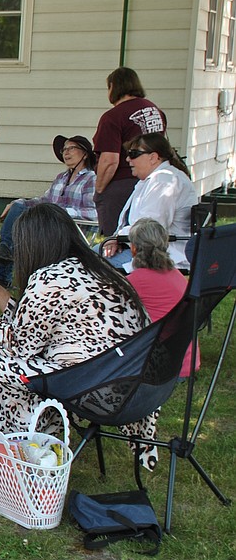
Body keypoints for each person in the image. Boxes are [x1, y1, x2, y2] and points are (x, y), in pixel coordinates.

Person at [0, 203, 148, 489]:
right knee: (32, 369)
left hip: (93, 388)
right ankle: (37, 446)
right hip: (129, 384)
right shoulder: (98, 269)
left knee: (0, 369)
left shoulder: (49, 279)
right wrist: (2, 296)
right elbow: (40, 330)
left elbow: (18, 346)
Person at [0, 135, 97, 287]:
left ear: (85, 154)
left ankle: (5, 266)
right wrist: (19, 202)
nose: (66, 152)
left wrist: (60, 212)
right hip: (49, 226)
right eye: (64, 149)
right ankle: (3, 262)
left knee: (25, 232)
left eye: (72, 148)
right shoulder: (61, 177)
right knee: (19, 208)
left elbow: (94, 213)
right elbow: (44, 201)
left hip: (72, 231)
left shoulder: (91, 178)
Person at [102, 133, 196, 271]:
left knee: (91, 265)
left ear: (153, 157)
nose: (128, 159)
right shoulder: (153, 180)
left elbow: (150, 228)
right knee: (86, 258)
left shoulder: (164, 181)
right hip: (141, 249)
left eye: (134, 154)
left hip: (162, 257)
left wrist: (117, 239)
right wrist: (116, 238)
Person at [92, 67, 167, 236]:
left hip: (121, 184)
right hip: (153, 182)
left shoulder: (113, 117)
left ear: (113, 86)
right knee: (145, 236)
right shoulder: (155, 111)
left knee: (115, 240)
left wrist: (100, 189)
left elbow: (110, 160)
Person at [128, 218, 199, 379]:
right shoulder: (177, 275)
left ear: (133, 248)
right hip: (187, 360)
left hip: (163, 368)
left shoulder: (136, 281)